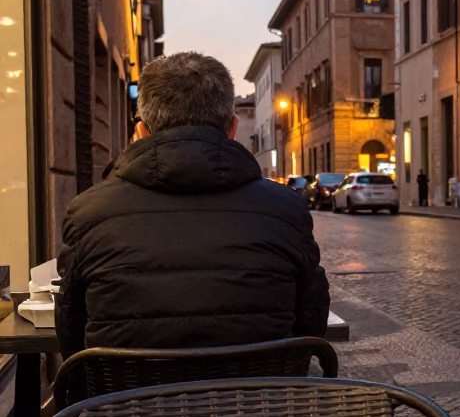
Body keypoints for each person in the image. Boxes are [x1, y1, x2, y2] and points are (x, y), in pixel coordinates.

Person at [54, 51, 329, 357]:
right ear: (233, 128)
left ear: (142, 131)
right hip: (261, 401)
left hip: (127, 403)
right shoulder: (288, 208)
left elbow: (70, 329)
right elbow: (312, 320)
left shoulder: (88, 212)